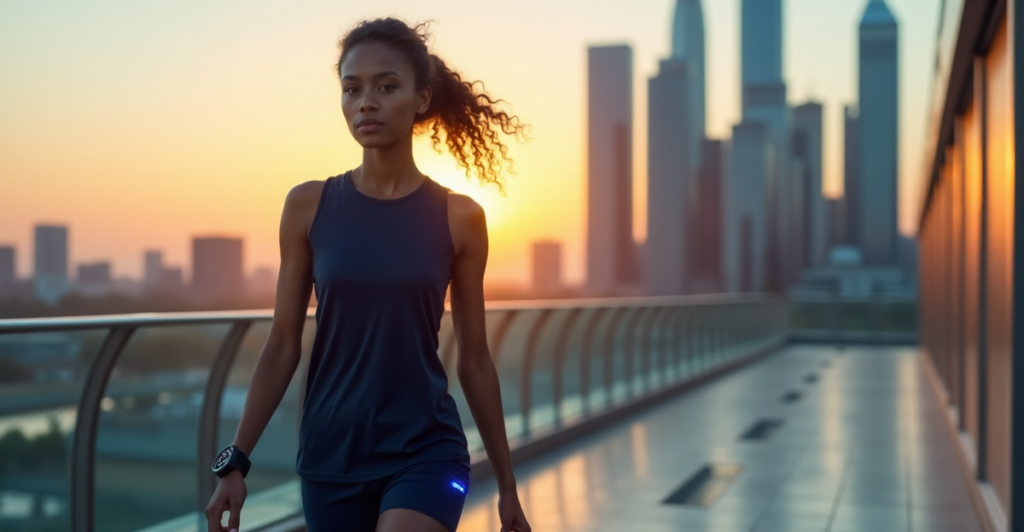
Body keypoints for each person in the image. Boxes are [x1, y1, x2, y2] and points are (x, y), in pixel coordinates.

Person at [204, 17, 531, 532]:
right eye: (352, 88)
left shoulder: (461, 218)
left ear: (421, 99)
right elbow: (282, 345)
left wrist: (508, 486)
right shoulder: (308, 206)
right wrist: (236, 460)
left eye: (386, 86)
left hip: (426, 450)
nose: (366, 102)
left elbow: (474, 361)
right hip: (331, 456)